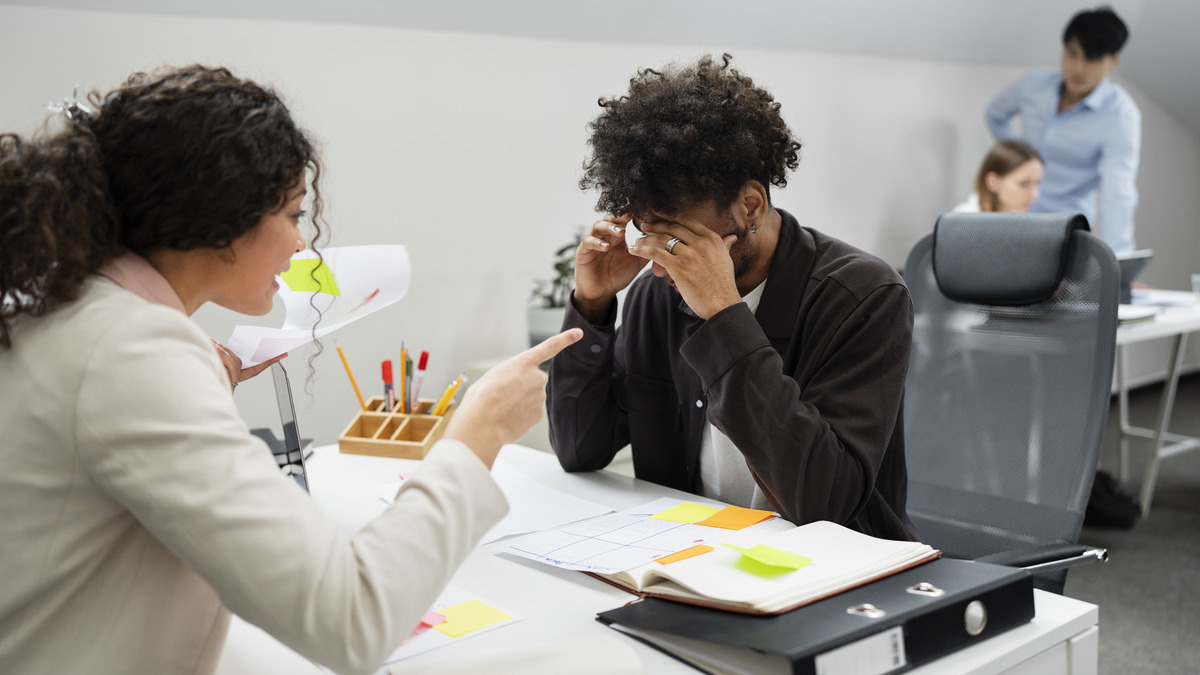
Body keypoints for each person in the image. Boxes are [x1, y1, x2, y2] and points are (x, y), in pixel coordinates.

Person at [0, 65, 581, 675]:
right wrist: (477, 435)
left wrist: (194, 378)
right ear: (219, 217)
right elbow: (351, 620)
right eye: (293, 215)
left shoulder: (77, 313)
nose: (302, 246)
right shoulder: (131, 352)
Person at [546, 54, 918, 542]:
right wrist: (591, 305)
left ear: (750, 206)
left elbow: (825, 504)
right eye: (651, 237)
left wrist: (724, 316)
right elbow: (579, 451)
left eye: (681, 241)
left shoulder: (862, 296)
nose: (662, 266)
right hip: (696, 561)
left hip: (831, 577)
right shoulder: (658, 297)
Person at [985, 6, 1140, 253]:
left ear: (1114, 59)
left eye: (1092, 58)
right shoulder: (1034, 85)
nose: (1078, 68)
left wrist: (1118, 261)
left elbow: (1118, 194)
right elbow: (995, 115)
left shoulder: (1120, 115)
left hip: (1067, 234)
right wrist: (1017, 163)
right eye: (1072, 53)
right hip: (1015, 218)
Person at [952, 140, 1045, 213]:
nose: (1034, 194)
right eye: (1024, 184)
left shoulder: (1024, 224)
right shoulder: (961, 225)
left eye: (1037, 183)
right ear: (993, 182)